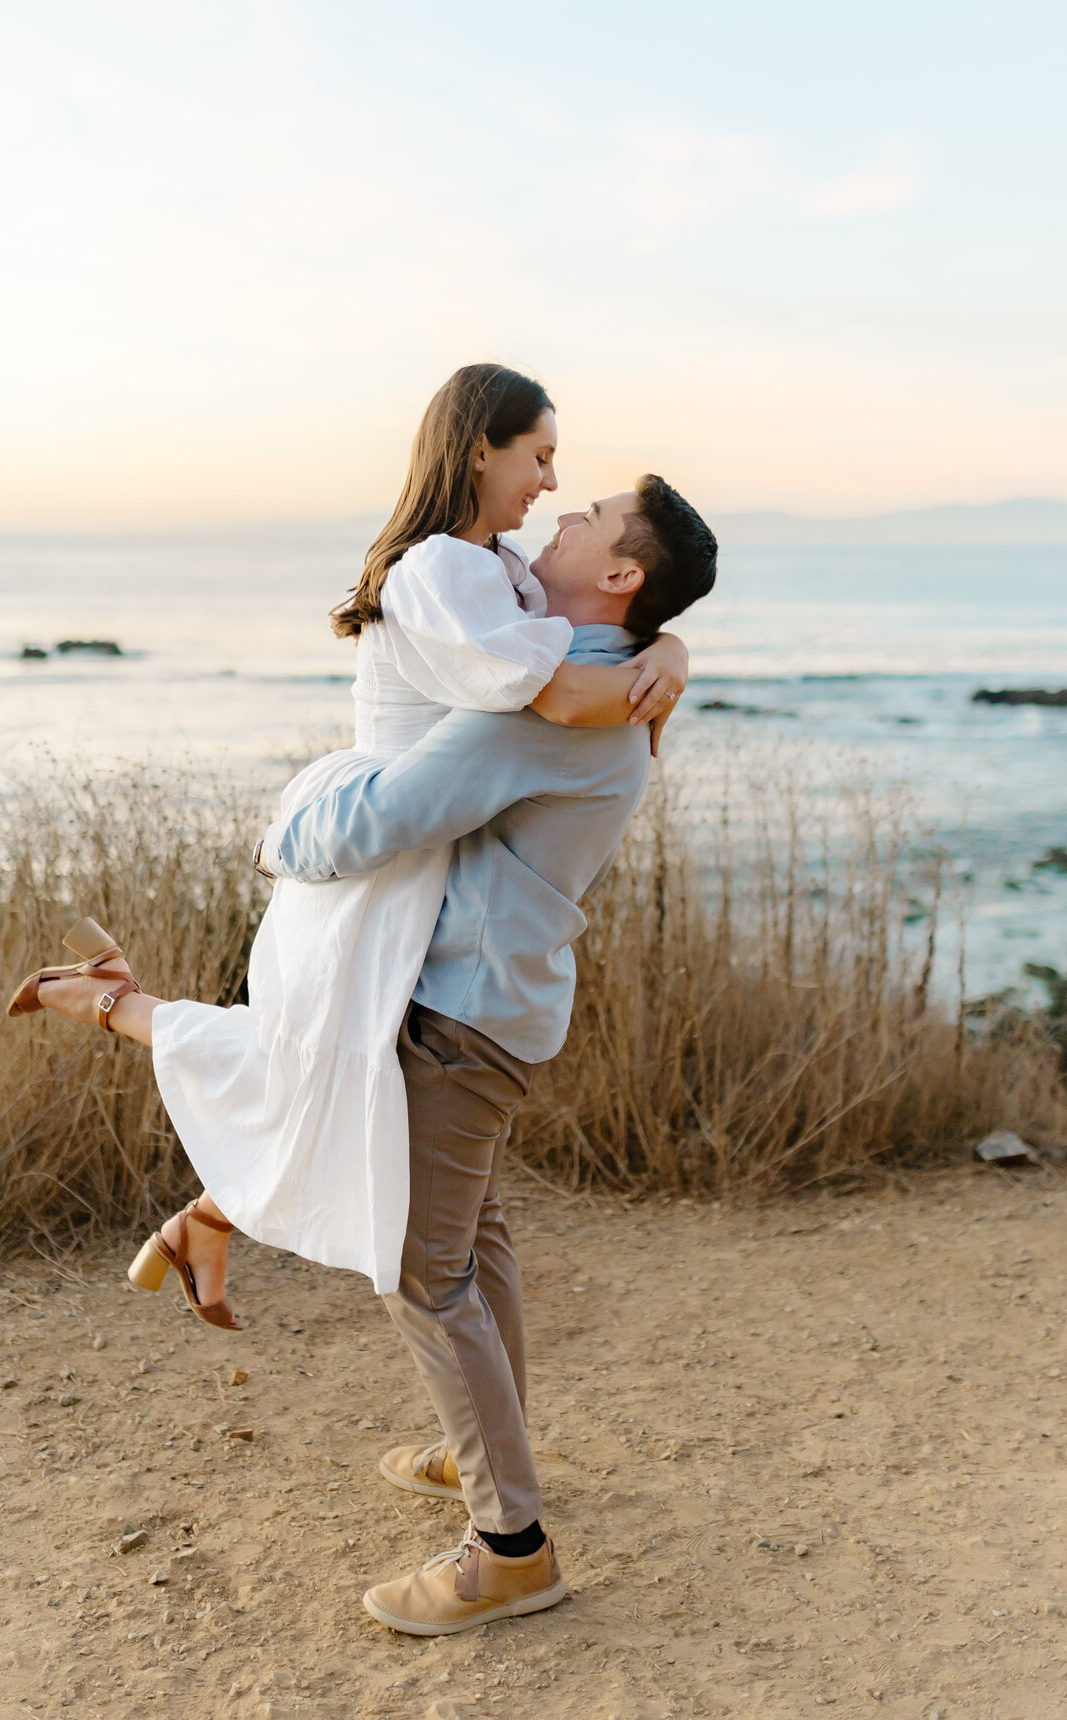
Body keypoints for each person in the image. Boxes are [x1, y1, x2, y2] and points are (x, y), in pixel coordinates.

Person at [5, 365, 689, 1327]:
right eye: (539, 459)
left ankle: (191, 1187)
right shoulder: (447, 567)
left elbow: (585, 629)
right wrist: (657, 665)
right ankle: (115, 1014)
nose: (550, 492)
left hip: (408, 847)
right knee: (311, 1062)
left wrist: (668, 646)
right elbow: (553, 692)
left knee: (321, 1066)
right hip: (373, 837)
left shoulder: (492, 568)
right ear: (477, 448)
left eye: (563, 476)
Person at [255, 473, 718, 1635]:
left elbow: (377, 819)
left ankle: (510, 1547)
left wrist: (277, 831)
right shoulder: (596, 684)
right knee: (476, 1237)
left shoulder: (541, 705)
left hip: (462, 1014)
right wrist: (680, 654)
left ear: (620, 576)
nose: (560, 513)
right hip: (499, 1003)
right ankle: (488, 1468)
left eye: (590, 518)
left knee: (427, 1271)